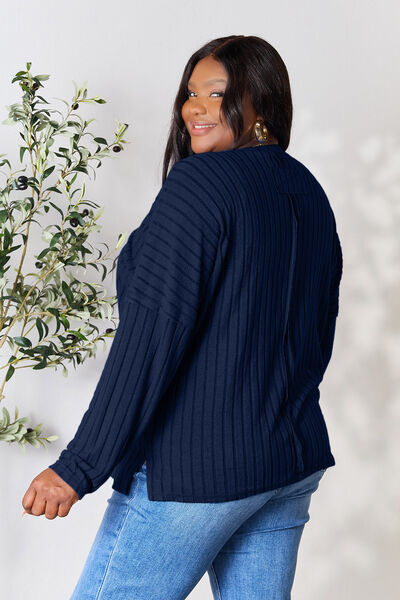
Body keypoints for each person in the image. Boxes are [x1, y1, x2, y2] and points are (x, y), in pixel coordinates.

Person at [22, 35, 343, 599]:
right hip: (287, 464)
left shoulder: (200, 186)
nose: (195, 108)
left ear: (261, 102)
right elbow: (317, 333)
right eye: (191, 93)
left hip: (197, 473)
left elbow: (150, 340)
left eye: (217, 94)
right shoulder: (306, 189)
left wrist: (79, 466)